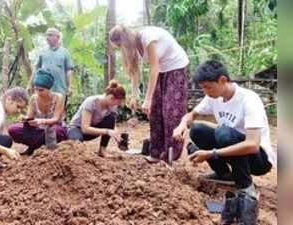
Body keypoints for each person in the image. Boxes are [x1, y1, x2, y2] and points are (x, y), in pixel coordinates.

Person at [173, 60, 276, 200]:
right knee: (197, 130)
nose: (205, 92)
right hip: (231, 147)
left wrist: (212, 153)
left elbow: (252, 145)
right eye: (203, 88)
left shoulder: (249, 99)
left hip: (259, 160)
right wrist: (182, 125)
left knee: (224, 132)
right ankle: (224, 174)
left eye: (208, 87)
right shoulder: (213, 98)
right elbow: (191, 115)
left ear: (222, 80)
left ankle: (245, 186)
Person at [109, 25, 189, 163]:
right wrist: (134, 96)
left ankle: (169, 156)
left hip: (176, 68)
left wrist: (147, 98)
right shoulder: (134, 47)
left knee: (171, 112)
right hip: (162, 71)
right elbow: (134, 72)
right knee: (155, 112)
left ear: (124, 40)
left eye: (119, 46)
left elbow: (154, 68)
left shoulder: (148, 37)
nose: (120, 49)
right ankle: (156, 153)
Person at [8, 68, 67, 155]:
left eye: (41, 90)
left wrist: (41, 121)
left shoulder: (59, 97)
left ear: (49, 88)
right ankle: (38, 147)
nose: (38, 92)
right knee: (13, 129)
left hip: (52, 127)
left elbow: (56, 119)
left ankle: (34, 148)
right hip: (38, 129)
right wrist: (25, 118)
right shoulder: (33, 98)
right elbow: (30, 117)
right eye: (36, 89)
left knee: (56, 132)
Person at [67, 80, 125, 157]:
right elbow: (85, 128)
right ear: (111, 98)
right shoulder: (91, 102)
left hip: (92, 130)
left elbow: (112, 125)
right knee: (76, 144)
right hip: (77, 128)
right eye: (117, 103)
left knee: (110, 118)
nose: (117, 105)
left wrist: (117, 137)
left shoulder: (112, 106)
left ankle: (102, 150)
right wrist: (107, 131)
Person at [30, 27, 73, 100]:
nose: (47, 38)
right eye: (46, 35)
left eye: (50, 35)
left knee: (59, 109)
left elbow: (68, 71)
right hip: (43, 89)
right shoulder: (42, 52)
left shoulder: (65, 52)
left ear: (57, 37)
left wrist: (69, 87)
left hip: (60, 89)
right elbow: (36, 68)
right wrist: (30, 84)